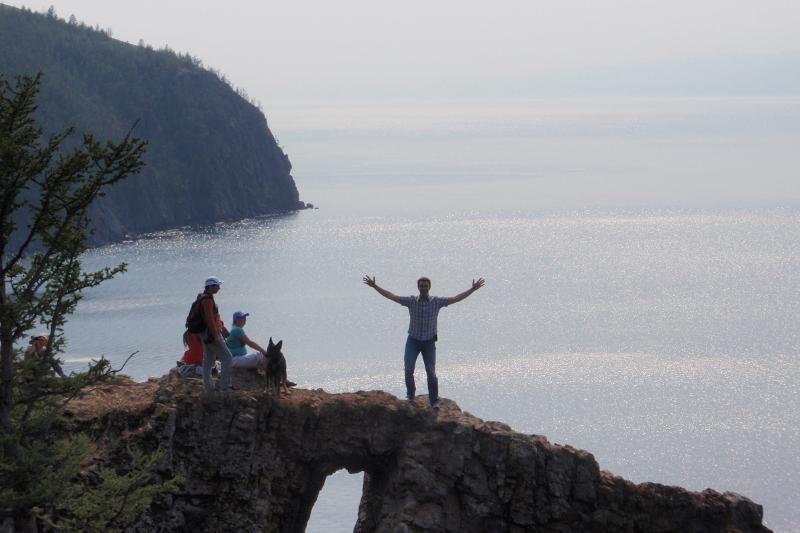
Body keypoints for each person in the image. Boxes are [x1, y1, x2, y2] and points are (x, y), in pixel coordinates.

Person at [363, 275, 485, 410]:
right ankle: (410, 397)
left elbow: (455, 299)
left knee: (431, 373)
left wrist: (472, 289)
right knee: (408, 370)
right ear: (418, 287)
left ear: (429, 287)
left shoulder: (436, 302)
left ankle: (434, 402)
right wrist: (375, 286)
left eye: (426, 286)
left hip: (429, 343)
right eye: (421, 286)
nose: (423, 288)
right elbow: (392, 297)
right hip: (413, 341)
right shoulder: (411, 301)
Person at [198, 276, 234, 392]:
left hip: (205, 333)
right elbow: (209, 319)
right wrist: (216, 336)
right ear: (211, 287)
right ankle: (225, 386)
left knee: (208, 360)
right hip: (211, 334)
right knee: (227, 357)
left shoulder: (204, 298)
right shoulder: (207, 300)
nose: (219, 288)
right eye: (217, 286)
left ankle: (209, 388)